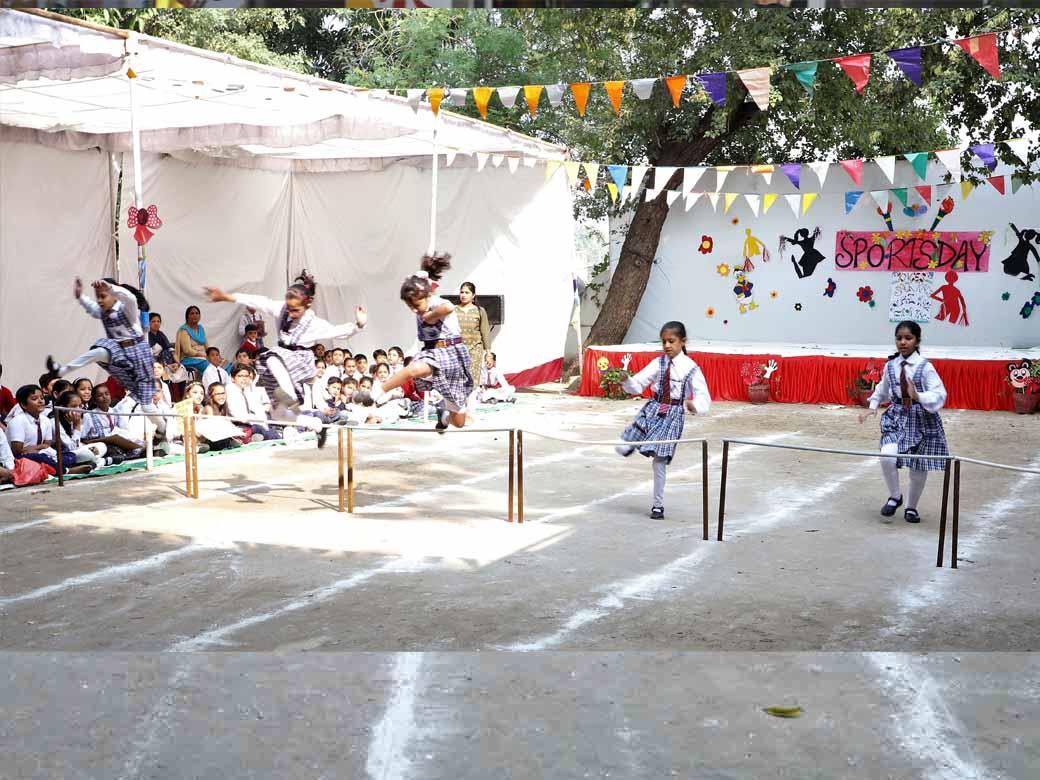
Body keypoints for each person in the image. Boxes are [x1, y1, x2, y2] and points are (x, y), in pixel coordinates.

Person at [203, 270, 367, 449]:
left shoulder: (314, 323)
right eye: (289, 309)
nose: (291, 313)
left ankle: (291, 399)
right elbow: (257, 301)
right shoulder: (281, 309)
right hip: (282, 359)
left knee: (271, 358)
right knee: (279, 414)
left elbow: (338, 331)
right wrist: (225, 297)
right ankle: (312, 423)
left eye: (296, 310)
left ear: (308, 305)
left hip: (300, 361)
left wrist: (359, 325)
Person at [360, 252, 473, 431]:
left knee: (459, 422)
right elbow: (419, 282)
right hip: (432, 353)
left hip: (452, 355)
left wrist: (431, 315)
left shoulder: (435, 303)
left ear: (428, 296)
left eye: (416, 305)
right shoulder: (421, 299)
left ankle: (444, 416)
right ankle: (376, 393)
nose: (414, 310)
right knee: (413, 369)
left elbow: (449, 306)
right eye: (410, 307)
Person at [615, 321, 711, 520]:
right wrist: (627, 381)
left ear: (683, 341)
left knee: (659, 461)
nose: (667, 345)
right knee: (621, 447)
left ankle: (658, 505)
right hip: (653, 407)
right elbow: (638, 384)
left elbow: (704, 397)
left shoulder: (691, 368)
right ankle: (632, 443)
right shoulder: (658, 362)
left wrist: (695, 406)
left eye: (671, 341)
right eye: (664, 341)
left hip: (673, 415)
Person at [858, 320, 949, 524]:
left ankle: (911, 507)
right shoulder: (891, 365)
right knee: (887, 455)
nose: (903, 342)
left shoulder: (925, 367)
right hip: (897, 416)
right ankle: (895, 496)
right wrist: (872, 407)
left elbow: (940, 394)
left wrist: (918, 396)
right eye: (899, 338)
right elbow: (882, 389)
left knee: (918, 466)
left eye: (908, 338)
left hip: (922, 420)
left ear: (917, 340)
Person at [46, 278, 164, 434]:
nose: (100, 301)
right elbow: (90, 307)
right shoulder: (102, 312)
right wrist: (80, 296)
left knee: (146, 405)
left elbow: (130, 298)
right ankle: (61, 370)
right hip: (120, 352)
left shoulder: (127, 309)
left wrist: (112, 287)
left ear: (114, 295)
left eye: (103, 296)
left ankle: (163, 429)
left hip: (139, 355)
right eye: (98, 297)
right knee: (99, 351)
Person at [82, 384, 145, 459]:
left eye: (107, 394)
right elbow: (83, 437)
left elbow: (125, 430)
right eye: (100, 395)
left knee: (142, 445)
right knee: (109, 450)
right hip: (101, 446)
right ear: (94, 401)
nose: (105, 397)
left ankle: (123, 456)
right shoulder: (89, 416)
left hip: (118, 444)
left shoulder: (116, 412)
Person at [55, 389, 110, 469]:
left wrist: (89, 447)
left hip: (77, 450)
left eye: (80, 406)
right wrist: (77, 426)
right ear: (63, 408)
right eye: (74, 406)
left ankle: (95, 462)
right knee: (87, 453)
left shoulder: (72, 420)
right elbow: (72, 447)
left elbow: (79, 443)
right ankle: (101, 462)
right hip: (65, 454)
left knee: (102, 445)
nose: (78, 409)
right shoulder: (56, 422)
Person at [226, 364, 281, 441]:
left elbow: (257, 409)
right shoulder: (229, 390)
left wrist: (263, 423)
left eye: (246, 376)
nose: (244, 379)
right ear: (233, 378)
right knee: (265, 431)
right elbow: (238, 415)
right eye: (240, 376)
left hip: (253, 422)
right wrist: (258, 423)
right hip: (239, 424)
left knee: (270, 426)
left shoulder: (246, 390)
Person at [455, 281, 491, 382]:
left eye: (467, 292)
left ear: (473, 295)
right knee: (457, 381)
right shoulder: (453, 310)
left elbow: (485, 332)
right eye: (462, 292)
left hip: (475, 350)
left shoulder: (480, 311)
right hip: (457, 351)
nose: (464, 295)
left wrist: (488, 354)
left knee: (472, 381)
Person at [175, 305, 210, 375]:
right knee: (210, 366)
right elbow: (187, 350)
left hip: (203, 358)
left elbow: (206, 346)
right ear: (187, 316)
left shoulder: (201, 328)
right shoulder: (184, 330)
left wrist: (211, 354)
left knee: (225, 364)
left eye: (197, 313)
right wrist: (203, 356)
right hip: (189, 359)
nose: (195, 315)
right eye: (192, 313)